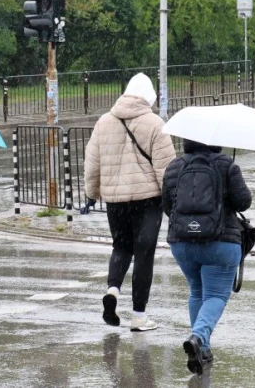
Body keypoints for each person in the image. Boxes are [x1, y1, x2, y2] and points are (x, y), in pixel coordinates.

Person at [85, 73, 176, 332]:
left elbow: (92, 163)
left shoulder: (104, 122)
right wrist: (171, 205)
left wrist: (92, 194)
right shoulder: (156, 124)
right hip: (147, 201)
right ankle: (139, 316)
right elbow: (166, 171)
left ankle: (112, 290)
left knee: (121, 248)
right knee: (144, 255)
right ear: (149, 97)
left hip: (115, 201)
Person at [162, 139, 252, 375]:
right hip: (220, 242)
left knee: (197, 291)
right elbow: (244, 202)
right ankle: (199, 336)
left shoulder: (173, 166)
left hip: (182, 242)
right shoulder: (226, 164)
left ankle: (203, 349)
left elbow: (166, 205)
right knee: (215, 295)